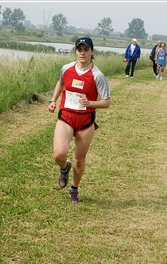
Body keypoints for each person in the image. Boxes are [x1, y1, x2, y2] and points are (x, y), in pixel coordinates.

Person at [48, 37, 110, 204]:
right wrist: (53, 100)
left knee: (79, 159)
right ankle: (64, 167)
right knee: (59, 154)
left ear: (92, 51)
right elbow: (61, 83)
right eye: (79, 49)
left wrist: (90, 103)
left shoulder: (97, 76)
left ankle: (74, 189)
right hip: (66, 116)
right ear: (75, 51)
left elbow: (106, 102)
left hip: (85, 121)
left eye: (86, 49)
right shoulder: (66, 69)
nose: (83, 53)